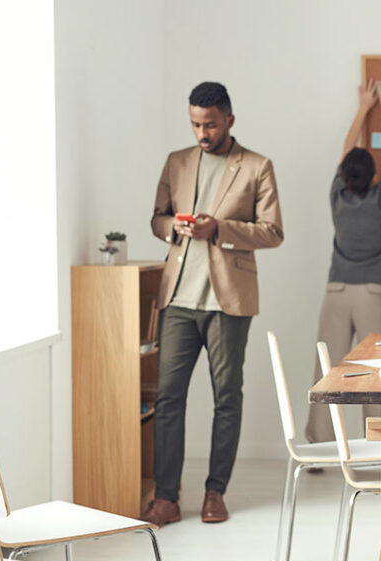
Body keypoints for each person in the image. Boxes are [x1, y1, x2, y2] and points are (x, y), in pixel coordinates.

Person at [141, 81, 284, 526]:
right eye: (196, 124)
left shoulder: (257, 166)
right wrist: (175, 228)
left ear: (229, 120)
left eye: (211, 124)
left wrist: (219, 229)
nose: (203, 132)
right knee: (168, 400)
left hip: (228, 301)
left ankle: (214, 492)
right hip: (179, 299)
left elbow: (272, 231)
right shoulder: (177, 162)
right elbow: (157, 217)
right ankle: (166, 496)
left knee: (227, 398)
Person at [305, 79, 381, 445]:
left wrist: (364, 106)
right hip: (375, 293)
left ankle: (317, 441)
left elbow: (348, 150)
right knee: (376, 371)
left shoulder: (338, 196)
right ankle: (378, 442)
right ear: (376, 176)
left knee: (326, 368)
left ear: (344, 176)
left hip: (337, 290)